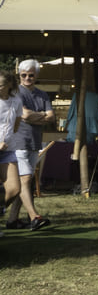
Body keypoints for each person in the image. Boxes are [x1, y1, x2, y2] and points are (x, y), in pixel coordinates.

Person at [9, 60, 55, 229]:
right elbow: (25, 115)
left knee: (24, 181)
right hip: (18, 141)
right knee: (26, 178)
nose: (27, 78)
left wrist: (34, 116)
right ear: (19, 75)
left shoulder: (42, 94)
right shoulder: (15, 92)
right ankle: (34, 216)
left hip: (35, 141)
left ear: (36, 75)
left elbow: (52, 117)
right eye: (24, 75)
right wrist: (42, 115)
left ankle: (12, 219)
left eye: (31, 75)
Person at [0, 72, 25, 229]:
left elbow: (16, 125)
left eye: (0, 85)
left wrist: (8, 140)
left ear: (9, 85)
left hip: (8, 150)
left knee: (14, 189)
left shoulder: (16, 101)